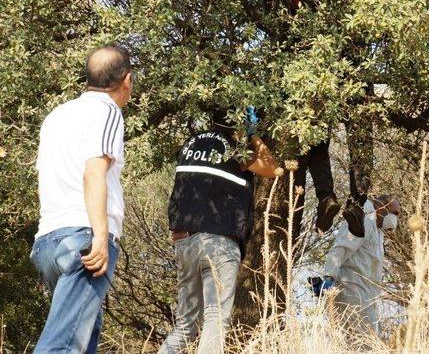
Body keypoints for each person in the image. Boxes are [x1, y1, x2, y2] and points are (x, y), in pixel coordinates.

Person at [30, 45, 133, 353]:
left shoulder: (56, 115)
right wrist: (100, 236)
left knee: (85, 338)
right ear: (126, 80)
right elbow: (93, 172)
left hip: (49, 240)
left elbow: (43, 178)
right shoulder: (108, 111)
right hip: (84, 240)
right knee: (61, 346)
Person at [159, 110, 279, 354]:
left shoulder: (190, 145)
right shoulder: (237, 150)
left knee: (185, 326)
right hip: (219, 243)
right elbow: (272, 168)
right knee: (216, 319)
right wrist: (253, 135)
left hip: (185, 242)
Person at [313, 195, 401, 335]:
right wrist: (329, 277)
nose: (395, 218)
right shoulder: (364, 218)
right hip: (352, 289)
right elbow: (341, 247)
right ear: (381, 207)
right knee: (366, 342)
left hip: (365, 294)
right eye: (394, 213)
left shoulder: (377, 229)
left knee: (362, 341)